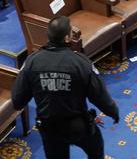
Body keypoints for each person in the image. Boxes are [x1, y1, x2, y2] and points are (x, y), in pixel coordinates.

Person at [12, 16, 119, 159]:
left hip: (49, 128)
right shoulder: (81, 62)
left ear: (48, 35)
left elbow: (17, 100)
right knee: (96, 151)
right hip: (78, 126)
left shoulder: (31, 61)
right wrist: (112, 111)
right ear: (67, 37)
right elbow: (99, 96)